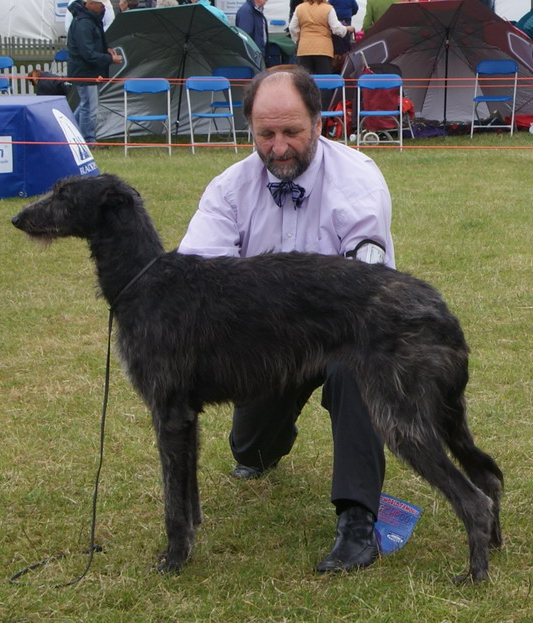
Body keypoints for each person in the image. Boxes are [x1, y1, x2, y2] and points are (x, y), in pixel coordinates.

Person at [178, 68, 393, 573]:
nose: (278, 148)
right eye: (265, 134)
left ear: (319, 122)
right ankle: (265, 446)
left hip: (345, 330)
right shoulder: (228, 189)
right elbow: (195, 282)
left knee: (357, 368)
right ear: (249, 129)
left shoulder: (359, 180)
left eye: (291, 132)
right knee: (248, 450)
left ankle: (358, 522)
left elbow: (366, 292)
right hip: (263, 342)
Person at [67, 0, 122, 146]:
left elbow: (95, 41)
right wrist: (109, 59)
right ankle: (88, 140)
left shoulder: (90, 20)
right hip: (84, 70)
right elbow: (88, 53)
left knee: (86, 104)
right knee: (89, 106)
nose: (103, 8)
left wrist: (106, 48)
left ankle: (69, 133)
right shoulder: (84, 23)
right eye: (101, 5)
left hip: (88, 70)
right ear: (91, 3)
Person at [289, 0, 355, 75]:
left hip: (304, 49)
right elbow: (336, 29)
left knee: (304, 80)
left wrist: (299, 39)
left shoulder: (299, 8)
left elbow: (292, 28)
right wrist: (346, 29)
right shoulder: (328, 8)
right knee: (324, 80)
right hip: (323, 49)